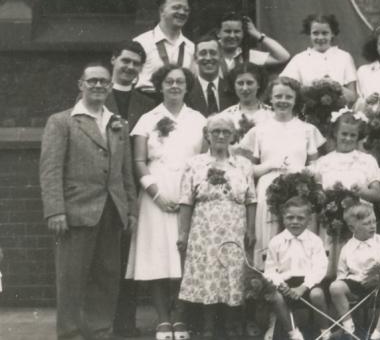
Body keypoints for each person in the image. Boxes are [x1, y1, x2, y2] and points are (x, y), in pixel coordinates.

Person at [40, 63, 137, 340]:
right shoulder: (62, 121)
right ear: (80, 84)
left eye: (103, 82)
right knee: (71, 279)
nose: (98, 86)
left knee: (107, 277)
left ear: (110, 87)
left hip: (112, 212)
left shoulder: (118, 123)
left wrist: (131, 210)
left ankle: (99, 331)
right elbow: (50, 170)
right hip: (75, 212)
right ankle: (70, 334)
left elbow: (126, 171)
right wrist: (55, 210)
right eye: (92, 81)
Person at [126, 65, 206, 340]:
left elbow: (204, 161)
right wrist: (157, 194)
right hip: (155, 194)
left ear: (187, 87)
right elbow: (138, 161)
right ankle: (162, 320)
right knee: (158, 257)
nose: (174, 86)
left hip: (190, 195)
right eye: (169, 81)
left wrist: (191, 197)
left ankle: (180, 318)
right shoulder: (148, 119)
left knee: (185, 260)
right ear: (160, 86)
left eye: (179, 82)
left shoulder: (198, 119)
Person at [176, 115, 257, 337]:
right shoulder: (194, 164)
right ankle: (208, 327)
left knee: (233, 273)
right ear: (207, 135)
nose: (221, 136)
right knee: (209, 273)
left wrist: (251, 230)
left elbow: (251, 199)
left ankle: (231, 326)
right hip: (205, 228)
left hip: (234, 226)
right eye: (215, 132)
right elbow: (185, 201)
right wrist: (183, 233)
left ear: (233, 136)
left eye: (226, 132)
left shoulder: (243, 164)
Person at [239, 76, 325, 267]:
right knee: (268, 239)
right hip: (267, 188)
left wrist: (300, 171)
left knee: (298, 240)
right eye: (278, 96)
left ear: (295, 100)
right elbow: (248, 170)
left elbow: (316, 167)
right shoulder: (259, 130)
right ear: (270, 98)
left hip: (300, 189)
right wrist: (270, 165)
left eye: (288, 97)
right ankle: (266, 287)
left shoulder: (307, 130)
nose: (283, 101)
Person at [104, 42, 156, 338]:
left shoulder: (146, 104)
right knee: (105, 260)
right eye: (125, 61)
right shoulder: (95, 94)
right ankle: (102, 321)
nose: (129, 67)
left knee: (127, 259)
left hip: (133, 190)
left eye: (136, 63)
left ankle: (125, 323)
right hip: (103, 191)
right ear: (114, 60)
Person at [329, 203, 380, 340]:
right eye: (367, 223)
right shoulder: (347, 248)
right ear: (352, 227)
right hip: (356, 285)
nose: (373, 226)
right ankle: (349, 328)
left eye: (374, 221)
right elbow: (341, 274)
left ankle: (376, 335)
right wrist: (348, 293)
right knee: (335, 287)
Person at [263, 197, 331, 340]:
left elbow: (319, 268)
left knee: (317, 295)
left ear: (309, 220)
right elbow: (270, 270)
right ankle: (293, 333)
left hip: (309, 283)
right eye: (290, 217)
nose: (295, 221)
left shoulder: (315, 241)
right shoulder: (276, 242)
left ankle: (325, 330)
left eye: (300, 218)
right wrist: (280, 285)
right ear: (283, 218)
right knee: (276, 297)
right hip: (285, 283)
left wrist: (303, 287)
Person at [281, 14, 358, 104]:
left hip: (338, 113)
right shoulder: (299, 59)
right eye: (315, 33)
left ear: (332, 33)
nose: (320, 37)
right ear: (309, 34)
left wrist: (335, 86)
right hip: (307, 112)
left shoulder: (344, 57)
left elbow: (353, 96)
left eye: (325, 33)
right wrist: (310, 88)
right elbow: (285, 86)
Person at [311, 110, 380, 203]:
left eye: (353, 135)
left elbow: (377, 195)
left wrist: (362, 192)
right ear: (336, 133)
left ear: (358, 136)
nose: (348, 138)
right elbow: (317, 195)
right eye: (344, 134)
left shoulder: (368, 160)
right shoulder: (322, 162)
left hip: (360, 212)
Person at [133, 0, 195, 92]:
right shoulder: (141, 43)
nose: (182, 12)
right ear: (162, 10)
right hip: (147, 102)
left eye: (186, 9)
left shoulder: (191, 47)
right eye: (176, 7)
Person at [216, 12, 290, 76]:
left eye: (237, 31)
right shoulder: (210, 51)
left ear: (243, 33)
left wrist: (257, 34)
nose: (232, 36)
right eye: (227, 31)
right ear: (218, 33)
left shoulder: (248, 55)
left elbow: (283, 57)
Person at [185, 36, 238, 117]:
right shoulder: (187, 91)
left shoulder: (233, 89)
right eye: (203, 53)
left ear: (221, 57)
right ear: (195, 58)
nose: (208, 58)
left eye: (213, 53)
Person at [221, 63, 272, 144]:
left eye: (250, 83)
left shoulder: (271, 114)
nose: (245, 88)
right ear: (234, 85)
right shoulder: (225, 116)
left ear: (258, 84)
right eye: (240, 83)